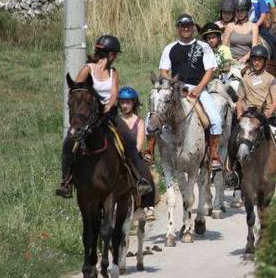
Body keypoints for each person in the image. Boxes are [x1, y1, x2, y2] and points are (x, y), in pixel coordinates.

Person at [56, 35, 152, 198]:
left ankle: (139, 180)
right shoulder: (87, 69)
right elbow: (76, 92)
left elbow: (114, 94)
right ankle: (66, 182)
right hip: (88, 116)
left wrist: (107, 107)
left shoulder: (113, 72)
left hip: (108, 115)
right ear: (109, 54)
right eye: (115, 54)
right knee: (69, 142)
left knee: (128, 141)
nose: (115, 58)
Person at [152, 15, 223, 170]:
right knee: (153, 115)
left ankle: (213, 155)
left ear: (193, 27)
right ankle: (149, 151)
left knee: (215, 119)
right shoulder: (170, 48)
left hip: (198, 88)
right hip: (176, 89)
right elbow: (163, 71)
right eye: (182, 26)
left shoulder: (203, 47)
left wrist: (199, 88)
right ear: (178, 28)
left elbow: (209, 70)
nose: (186, 28)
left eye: (189, 25)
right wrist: (174, 85)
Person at [235, 45, 276, 174]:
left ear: (264, 62)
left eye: (259, 60)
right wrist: (239, 113)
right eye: (254, 60)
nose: (256, 62)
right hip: (249, 116)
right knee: (232, 139)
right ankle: (234, 170)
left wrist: (268, 112)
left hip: (267, 116)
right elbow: (239, 99)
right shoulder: (245, 79)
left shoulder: (270, 79)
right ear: (251, 61)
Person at [117, 86, 156, 221]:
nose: (125, 105)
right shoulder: (116, 121)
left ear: (133, 103)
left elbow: (139, 144)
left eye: (128, 102)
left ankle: (149, 206)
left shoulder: (139, 121)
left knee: (145, 175)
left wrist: (129, 154)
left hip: (133, 155)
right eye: (122, 102)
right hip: (118, 154)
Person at [223, 0, 262, 66]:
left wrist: (244, 59)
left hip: (247, 61)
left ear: (247, 11)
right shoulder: (230, 26)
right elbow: (224, 47)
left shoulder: (254, 27)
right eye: (237, 10)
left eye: (242, 10)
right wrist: (229, 60)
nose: (239, 13)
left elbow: (254, 48)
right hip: (231, 61)